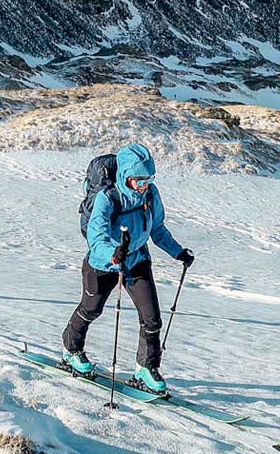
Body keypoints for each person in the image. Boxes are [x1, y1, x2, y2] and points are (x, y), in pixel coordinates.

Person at [60, 142, 195, 395]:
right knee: (91, 310)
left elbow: (157, 229)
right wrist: (112, 254)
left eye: (148, 178)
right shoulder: (107, 198)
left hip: (137, 260)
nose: (144, 184)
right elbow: (96, 236)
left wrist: (177, 252)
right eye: (139, 179)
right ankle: (71, 350)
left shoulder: (151, 195)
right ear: (125, 176)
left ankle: (146, 368)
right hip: (103, 264)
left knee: (152, 317)